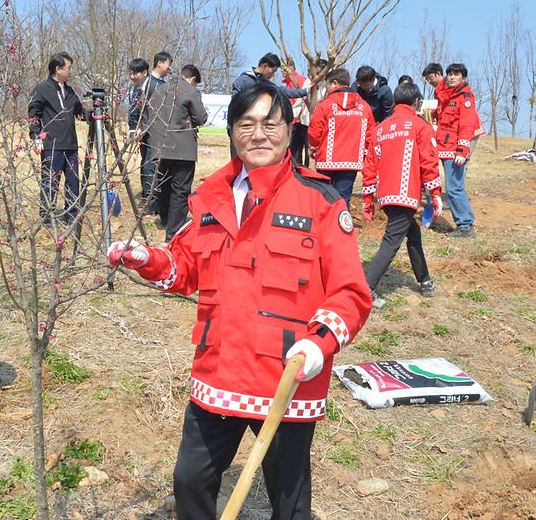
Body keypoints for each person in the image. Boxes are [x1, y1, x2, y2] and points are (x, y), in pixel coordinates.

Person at [107, 84, 371, 519]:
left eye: (270, 123)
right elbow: (184, 267)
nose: (259, 134)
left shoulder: (321, 200)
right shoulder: (210, 196)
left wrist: (319, 343)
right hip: (220, 371)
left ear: (290, 131)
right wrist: (148, 260)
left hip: (286, 376)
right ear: (231, 132)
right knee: (190, 481)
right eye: (246, 124)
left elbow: (351, 293)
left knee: (289, 499)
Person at [361, 83, 443, 307]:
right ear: (416, 102)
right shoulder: (420, 126)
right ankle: (365, 290)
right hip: (405, 195)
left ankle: (425, 280)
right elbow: (429, 162)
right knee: (391, 242)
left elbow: (369, 165)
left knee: (412, 235)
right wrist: (435, 194)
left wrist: (368, 199)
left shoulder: (381, 128)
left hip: (386, 195)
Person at [144, 64, 208, 241]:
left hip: (160, 146)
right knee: (180, 190)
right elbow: (201, 118)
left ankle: (165, 220)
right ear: (193, 79)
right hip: (182, 148)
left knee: (164, 185)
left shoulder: (159, 89)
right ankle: (174, 231)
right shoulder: (190, 91)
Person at [28, 52, 85, 226]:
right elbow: (33, 114)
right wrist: (36, 136)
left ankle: (71, 213)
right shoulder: (42, 89)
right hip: (52, 144)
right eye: (68, 68)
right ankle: (47, 215)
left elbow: (79, 112)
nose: (70, 72)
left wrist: (96, 115)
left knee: (73, 180)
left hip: (71, 144)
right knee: (51, 181)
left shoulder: (69, 90)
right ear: (58, 69)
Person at [308, 68, 375, 206]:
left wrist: (313, 148)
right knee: (343, 200)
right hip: (351, 162)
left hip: (326, 160)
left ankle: (322, 226)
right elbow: (370, 136)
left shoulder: (325, 105)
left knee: (324, 197)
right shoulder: (364, 107)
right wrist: (363, 155)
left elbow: (315, 131)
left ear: (334, 83)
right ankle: (341, 225)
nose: (326, 89)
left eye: (327, 85)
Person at [434, 63, 480, 237]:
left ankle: (465, 225)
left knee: (454, 187)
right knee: (453, 186)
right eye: (450, 74)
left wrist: (462, 150)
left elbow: (467, 125)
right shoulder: (447, 94)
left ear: (464, 77)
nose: (452, 77)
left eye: (456, 74)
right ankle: (464, 224)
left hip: (455, 148)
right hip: (445, 145)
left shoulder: (465, 97)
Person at [127, 57, 156, 213]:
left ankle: (151, 202)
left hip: (153, 135)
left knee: (150, 167)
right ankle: (147, 199)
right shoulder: (136, 89)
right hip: (143, 135)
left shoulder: (154, 88)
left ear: (144, 72)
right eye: (130, 73)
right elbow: (134, 111)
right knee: (145, 165)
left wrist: (142, 128)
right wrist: (133, 128)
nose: (132, 77)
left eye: (135, 73)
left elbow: (154, 114)